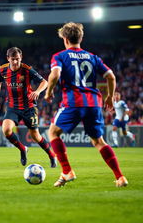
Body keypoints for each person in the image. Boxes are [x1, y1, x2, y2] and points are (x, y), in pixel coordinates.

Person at [44, 22, 128, 187]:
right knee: (98, 141)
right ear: (80, 38)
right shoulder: (93, 57)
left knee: (52, 133)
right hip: (94, 104)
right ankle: (120, 177)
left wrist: (48, 92)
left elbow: (55, 74)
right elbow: (110, 76)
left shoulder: (60, 56)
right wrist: (109, 97)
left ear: (66, 39)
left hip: (73, 101)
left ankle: (67, 171)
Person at [0, 47, 56, 167]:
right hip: (12, 106)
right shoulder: (2, 69)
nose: (16, 62)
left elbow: (44, 82)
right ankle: (23, 149)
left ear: (21, 58)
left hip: (29, 107)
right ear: (8, 59)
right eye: (13, 59)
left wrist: (37, 92)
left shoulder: (27, 69)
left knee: (36, 136)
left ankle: (52, 156)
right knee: (6, 130)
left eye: (18, 59)